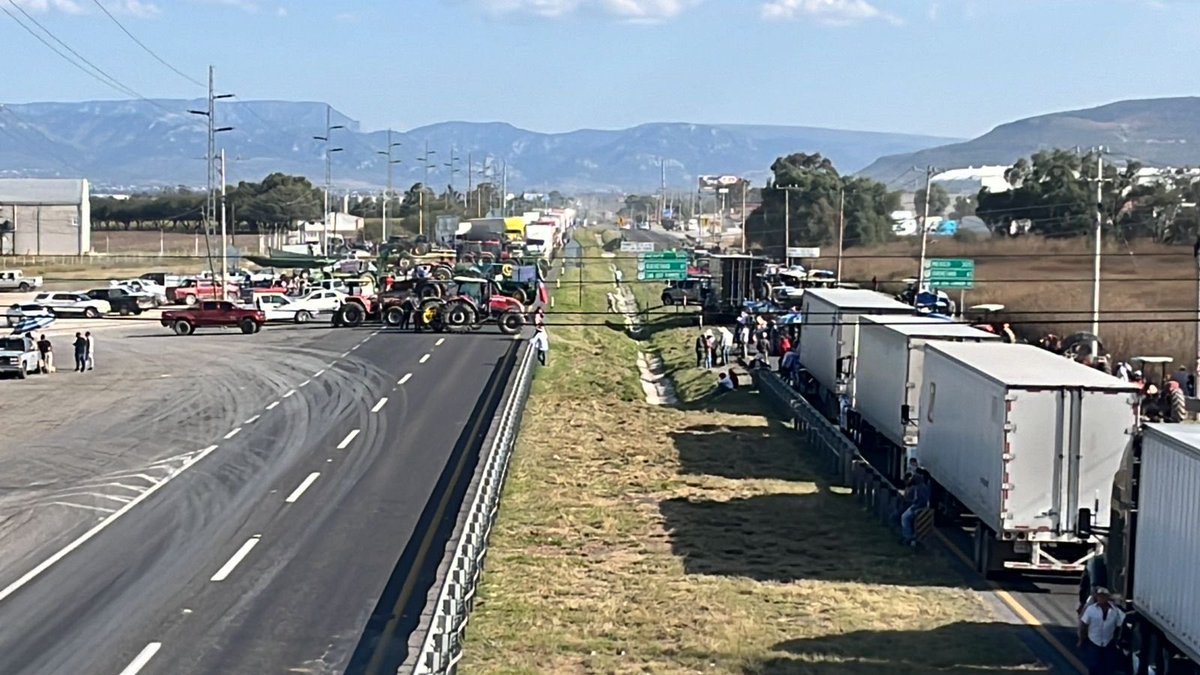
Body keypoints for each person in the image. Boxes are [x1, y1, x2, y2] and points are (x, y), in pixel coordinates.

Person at [1078, 587, 1124, 675]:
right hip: (1094, 642)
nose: (1101, 598)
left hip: (1108, 642)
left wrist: (1117, 640)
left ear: (1107, 598)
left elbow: (1120, 626)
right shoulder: (1091, 609)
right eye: (1099, 596)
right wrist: (1081, 639)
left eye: (1103, 596)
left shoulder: (1115, 611)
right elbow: (1083, 625)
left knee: (1108, 667)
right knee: (1094, 666)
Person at [900, 473, 931, 547]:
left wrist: (913, 507)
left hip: (918, 507)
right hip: (923, 507)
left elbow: (918, 501)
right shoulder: (924, 487)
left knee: (904, 517)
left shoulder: (918, 488)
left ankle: (907, 537)